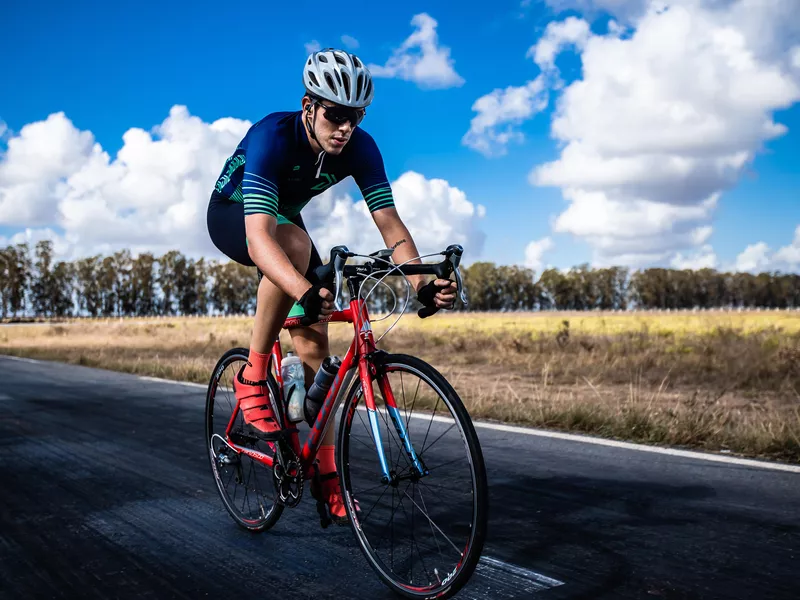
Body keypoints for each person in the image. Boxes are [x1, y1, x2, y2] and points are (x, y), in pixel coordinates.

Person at [206, 48, 457, 524]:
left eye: (355, 117)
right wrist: (301, 290)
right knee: (296, 250)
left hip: (285, 220)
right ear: (309, 106)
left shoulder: (360, 147)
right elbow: (260, 239)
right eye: (336, 115)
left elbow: (390, 225)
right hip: (235, 213)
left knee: (317, 350)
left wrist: (422, 284)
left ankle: (324, 475)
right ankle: (253, 375)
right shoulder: (272, 137)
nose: (345, 127)